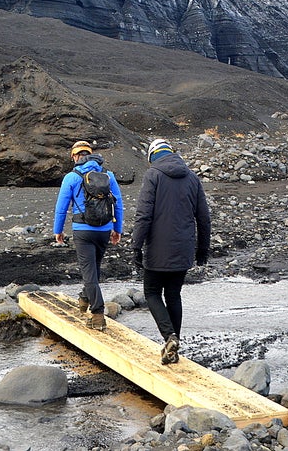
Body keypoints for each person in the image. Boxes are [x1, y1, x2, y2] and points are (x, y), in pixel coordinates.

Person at [131, 139, 211, 364]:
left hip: (157, 248)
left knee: (152, 293)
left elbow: (143, 215)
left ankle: (169, 337)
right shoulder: (192, 178)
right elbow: (203, 218)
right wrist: (203, 249)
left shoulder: (153, 176)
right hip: (183, 249)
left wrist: (136, 246)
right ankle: (173, 348)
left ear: (152, 156)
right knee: (174, 295)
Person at [53, 140, 124, 330]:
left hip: (83, 231)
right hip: (104, 230)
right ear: (91, 154)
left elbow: (61, 208)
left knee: (89, 273)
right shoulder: (108, 175)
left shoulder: (72, 177)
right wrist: (118, 229)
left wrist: (58, 231)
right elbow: (117, 203)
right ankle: (85, 297)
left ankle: (98, 314)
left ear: (75, 156)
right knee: (94, 269)